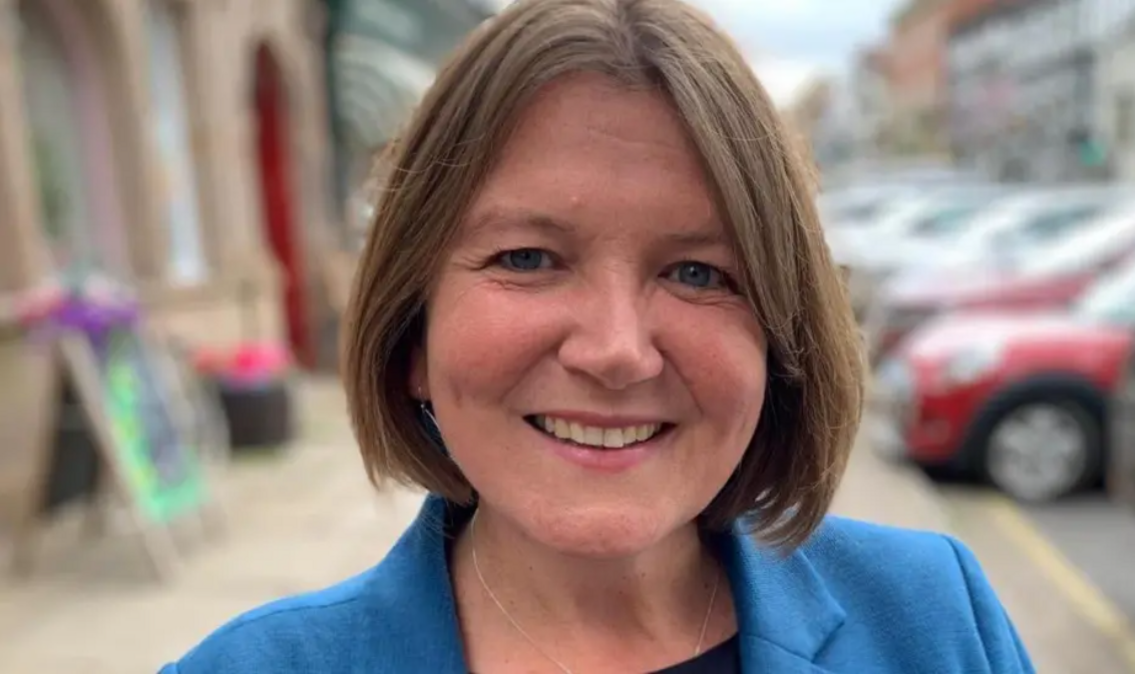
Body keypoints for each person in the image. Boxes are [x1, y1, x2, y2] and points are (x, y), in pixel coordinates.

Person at [161, 0, 1034, 672]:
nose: (616, 350)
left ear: (778, 337)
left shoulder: (932, 620)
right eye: (529, 257)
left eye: (699, 273)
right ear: (412, 335)